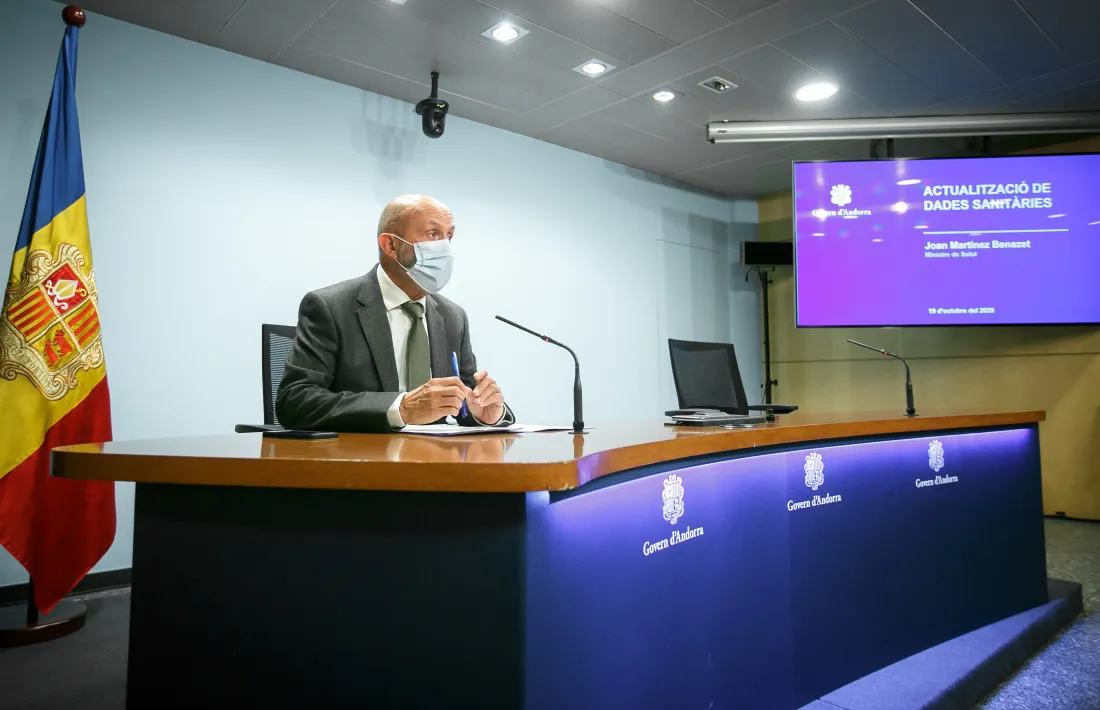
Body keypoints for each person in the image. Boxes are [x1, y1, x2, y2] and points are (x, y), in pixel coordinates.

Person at [276, 195, 514, 432]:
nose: (444, 247)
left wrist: (485, 413)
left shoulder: (453, 316)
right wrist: (400, 408)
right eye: (432, 234)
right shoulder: (330, 306)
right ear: (390, 245)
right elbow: (295, 401)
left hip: (436, 454)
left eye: (448, 236)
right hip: (361, 453)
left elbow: (467, 399)